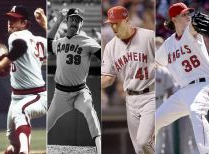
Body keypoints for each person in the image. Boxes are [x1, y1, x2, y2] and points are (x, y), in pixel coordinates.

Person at [155, 2, 209, 153]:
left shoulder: (192, 33)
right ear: (174, 19)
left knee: (196, 111)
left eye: (188, 13)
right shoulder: (168, 44)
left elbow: (193, 27)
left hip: (203, 85)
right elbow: (155, 62)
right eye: (184, 14)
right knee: (155, 121)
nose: (188, 16)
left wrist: (193, 23)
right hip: (183, 92)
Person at [0, 5, 47, 154]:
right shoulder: (39, 40)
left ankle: (25, 151)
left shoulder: (16, 36)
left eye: (15, 20)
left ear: (24, 23)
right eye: (9, 18)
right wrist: (45, 24)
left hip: (35, 95)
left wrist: (1, 65)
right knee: (12, 140)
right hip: (17, 97)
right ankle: (17, 150)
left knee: (20, 112)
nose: (10, 22)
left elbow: (20, 47)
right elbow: (58, 44)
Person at [101, 6, 155, 154]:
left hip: (150, 95)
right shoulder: (110, 47)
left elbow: (165, 61)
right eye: (111, 23)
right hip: (130, 99)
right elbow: (108, 78)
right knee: (139, 149)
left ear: (127, 20)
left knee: (144, 141)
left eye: (116, 22)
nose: (113, 26)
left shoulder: (148, 36)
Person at [47, 8, 102, 154]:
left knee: (90, 112)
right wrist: (58, 21)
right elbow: (48, 42)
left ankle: (100, 149)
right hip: (60, 94)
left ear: (81, 24)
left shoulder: (88, 41)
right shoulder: (59, 42)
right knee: (46, 122)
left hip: (80, 92)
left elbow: (104, 58)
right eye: (72, 19)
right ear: (67, 21)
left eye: (78, 20)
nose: (74, 22)